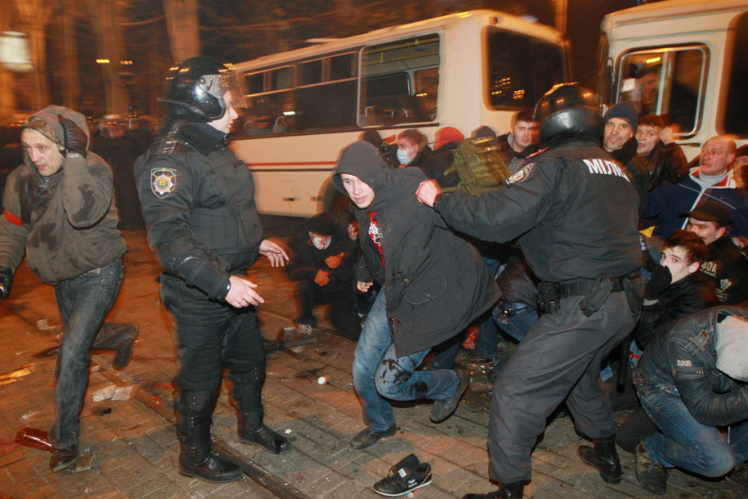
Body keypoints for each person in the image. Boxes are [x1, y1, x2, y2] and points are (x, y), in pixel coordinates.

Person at [416, 83, 643, 498]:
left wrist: (440, 199)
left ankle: (509, 487)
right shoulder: (614, 167)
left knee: (517, 389)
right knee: (581, 376)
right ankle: (607, 454)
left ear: (551, 123)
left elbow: (495, 219)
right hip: (623, 301)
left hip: (584, 304)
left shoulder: (552, 165)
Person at [134, 56, 291, 483]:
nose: (238, 112)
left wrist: (254, 241)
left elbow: (224, 209)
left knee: (250, 361)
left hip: (233, 283)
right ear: (202, 103)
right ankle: (195, 455)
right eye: (229, 102)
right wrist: (221, 284)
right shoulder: (169, 160)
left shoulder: (214, 149)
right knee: (201, 378)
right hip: (199, 292)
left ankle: (252, 425)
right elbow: (170, 240)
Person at [332, 141, 499, 450]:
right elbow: (374, 240)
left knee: (390, 382)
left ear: (376, 173)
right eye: (347, 182)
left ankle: (451, 382)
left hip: (430, 297)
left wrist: (442, 200)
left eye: (360, 179)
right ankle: (381, 423)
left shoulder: (414, 195)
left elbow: (466, 220)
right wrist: (365, 273)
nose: (355, 190)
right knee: (362, 368)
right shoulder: (365, 203)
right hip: (395, 288)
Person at [0, 105, 137, 473]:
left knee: (72, 351)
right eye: (28, 148)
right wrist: (4, 265)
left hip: (99, 271)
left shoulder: (92, 169)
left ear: (67, 145)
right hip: (61, 276)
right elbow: (12, 227)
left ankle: (65, 440)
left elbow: (82, 213)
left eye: (43, 148)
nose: (34, 157)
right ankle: (122, 334)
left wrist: (75, 159)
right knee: (84, 337)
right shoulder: (21, 180)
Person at [615, 230, 718, 454]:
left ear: (693, 267)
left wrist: (651, 297)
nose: (665, 264)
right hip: (653, 371)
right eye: (664, 256)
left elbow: (648, 340)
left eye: (675, 260)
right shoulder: (672, 282)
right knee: (600, 401)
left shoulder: (697, 301)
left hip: (677, 386)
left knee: (625, 438)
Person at [633, 306, 748, 495]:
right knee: (717, 461)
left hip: (709, 383)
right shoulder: (686, 342)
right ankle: (652, 450)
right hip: (664, 390)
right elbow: (704, 411)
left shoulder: (740, 325)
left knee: (729, 458)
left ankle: (737, 456)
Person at [642, 135, 748, 242]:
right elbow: (648, 209)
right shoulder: (679, 180)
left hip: (702, 255)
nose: (706, 156)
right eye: (704, 151)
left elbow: (739, 234)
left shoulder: (736, 196)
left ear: (730, 158)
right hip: (663, 245)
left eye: (714, 152)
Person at [286, 212, 361, 340]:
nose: (323, 241)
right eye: (320, 236)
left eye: (327, 237)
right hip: (314, 290)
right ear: (310, 233)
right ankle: (306, 321)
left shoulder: (339, 243)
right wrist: (314, 273)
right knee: (304, 287)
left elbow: (349, 276)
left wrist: (338, 266)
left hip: (337, 291)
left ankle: (334, 315)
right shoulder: (300, 243)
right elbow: (291, 271)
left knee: (354, 332)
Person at [684, 201, 748, 304]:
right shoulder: (683, 245)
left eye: (702, 227)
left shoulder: (731, 261)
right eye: (690, 224)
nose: (692, 230)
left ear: (720, 232)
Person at [603, 102, 649, 200]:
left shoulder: (636, 169)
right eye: (610, 124)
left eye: (623, 126)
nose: (614, 131)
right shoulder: (588, 153)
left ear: (631, 133)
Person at [635, 114, 688, 192]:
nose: (641, 137)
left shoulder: (662, 160)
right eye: (638, 131)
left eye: (650, 134)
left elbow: (679, 176)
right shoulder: (625, 154)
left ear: (659, 138)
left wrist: (669, 142)